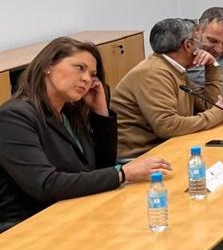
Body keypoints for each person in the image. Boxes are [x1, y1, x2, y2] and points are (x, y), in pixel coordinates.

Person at [0, 38, 170, 231]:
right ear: (48, 66)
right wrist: (122, 173)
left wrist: (100, 112)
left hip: (69, 212)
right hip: (27, 227)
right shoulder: (14, 117)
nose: (87, 79)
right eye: (79, 68)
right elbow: (45, 185)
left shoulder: (68, 114)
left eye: (92, 74)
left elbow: (99, 167)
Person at [111, 18, 223, 157]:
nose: (201, 46)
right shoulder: (153, 73)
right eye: (198, 41)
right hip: (140, 156)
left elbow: (208, 105)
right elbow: (167, 126)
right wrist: (217, 114)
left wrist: (212, 66)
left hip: (166, 148)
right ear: (188, 45)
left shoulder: (174, 69)